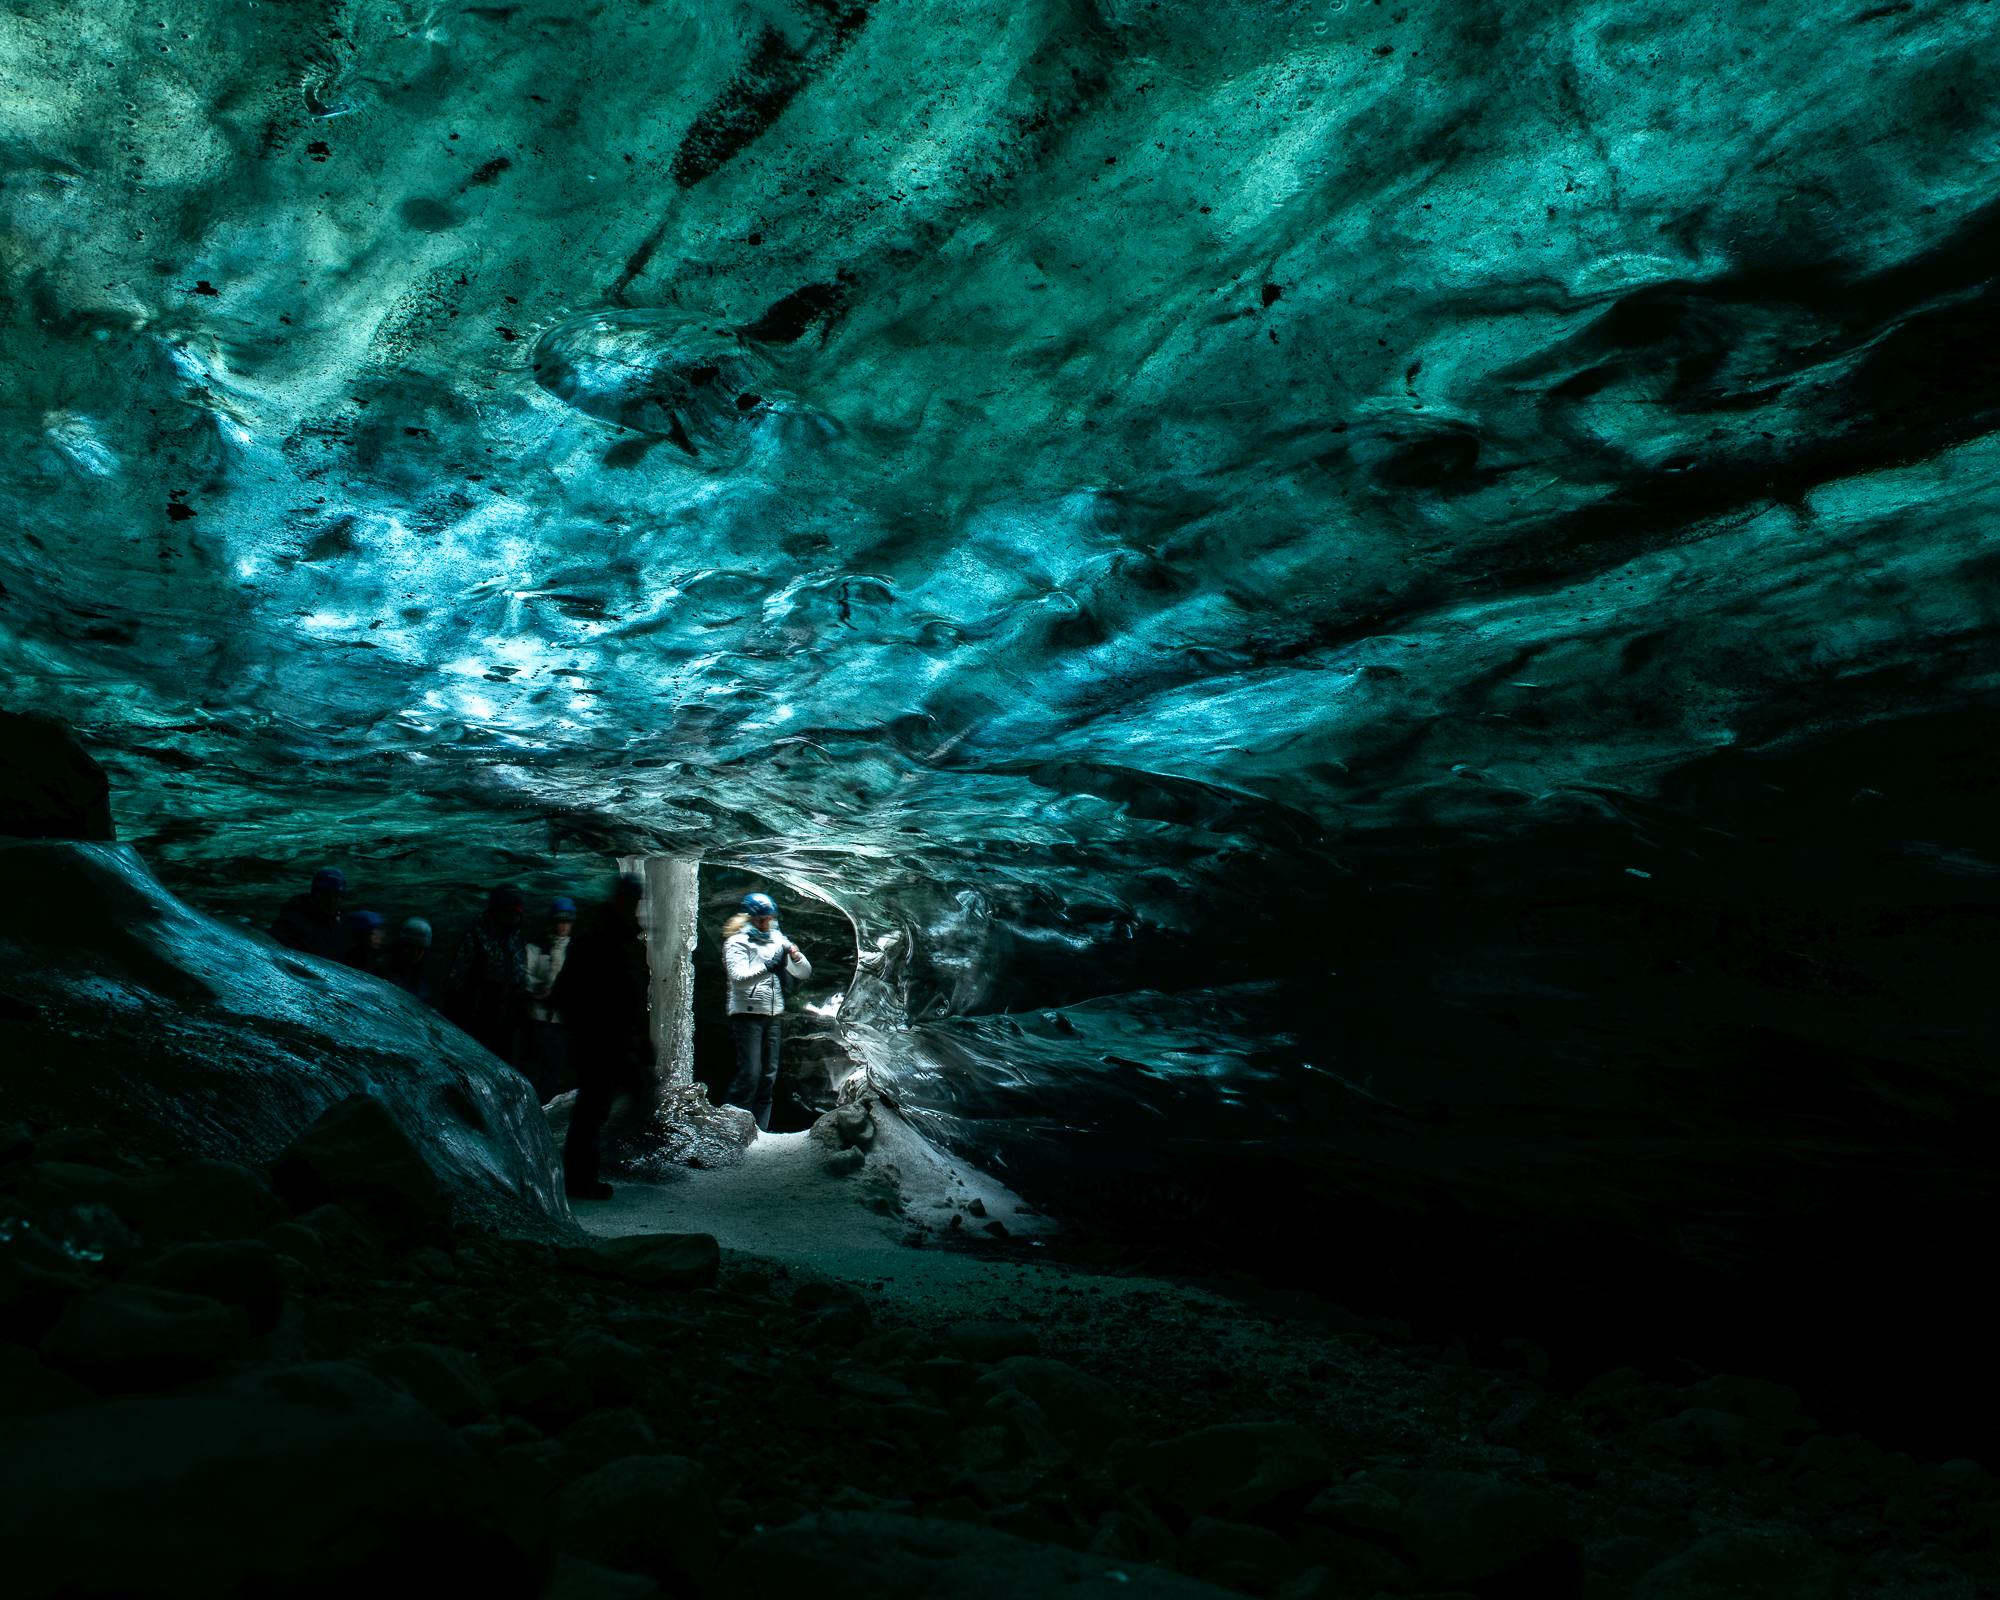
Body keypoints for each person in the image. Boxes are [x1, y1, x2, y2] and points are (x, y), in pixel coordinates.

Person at [551, 874, 655, 1200]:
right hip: (600, 1040)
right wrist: (592, 1031)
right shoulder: (599, 940)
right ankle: (579, 1180)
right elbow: (566, 993)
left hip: (615, 1040)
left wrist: (636, 1036)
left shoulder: (619, 939)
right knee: (591, 1111)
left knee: (599, 1109)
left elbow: (631, 995)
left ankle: (583, 1176)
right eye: (632, 901)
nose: (635, 907)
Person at [722, 892, 810, 1132]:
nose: (766, 923)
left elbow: (803, 972)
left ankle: (760, 1132)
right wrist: (770, 966)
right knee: (750, 1074)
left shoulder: (778, 939)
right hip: (747, 1015)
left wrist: (796, 956)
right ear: (749, 917)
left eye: (769, 918)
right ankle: (731, 1128)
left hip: (773, 1015)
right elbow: (739, 979)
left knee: (768, 1077)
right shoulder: (736, 942)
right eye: (761, 919)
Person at [443, 883, 529, 1062]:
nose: (514, 919)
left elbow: (519, 982)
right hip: (475, 1023)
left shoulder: (516, 941)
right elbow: (456, 981)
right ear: (498, 912)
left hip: (505, 1025)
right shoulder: (474, 937)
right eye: (510, 913)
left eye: (517, 914)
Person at [523, 897, 576, 1102]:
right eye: (560, 920)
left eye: (567, 921)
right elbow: (523, 975)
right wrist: (540, 988)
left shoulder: (574, 950)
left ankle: (545, 1109)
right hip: (536, 1019)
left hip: (560, 1023)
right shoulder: (536, 946)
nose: (563, 925)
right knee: (531, 1068)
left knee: (553, 1072)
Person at [270, 867, 349, 961]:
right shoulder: (293, 920)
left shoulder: (336, 926)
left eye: (337, 896)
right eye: (326, 895)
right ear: (314, 894)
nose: (332, 901)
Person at [379, 918, 434, 1004]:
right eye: (411, 947)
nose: (415, 953)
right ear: (403, 946)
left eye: (420, 949)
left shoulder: (427, 973)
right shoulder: (383, 967)